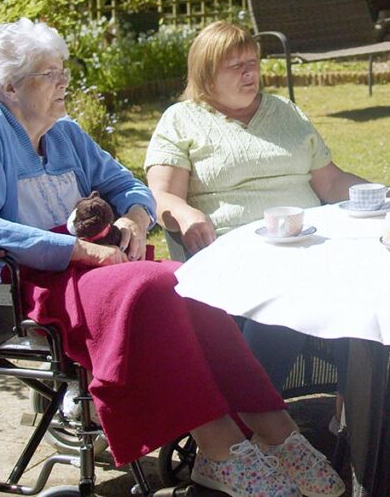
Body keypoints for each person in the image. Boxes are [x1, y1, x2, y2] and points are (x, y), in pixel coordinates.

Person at [0, 18, 344, 497]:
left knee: (187, 282)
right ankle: (219, 448)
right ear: (10, 86)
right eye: (50, 73)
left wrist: (134, 216)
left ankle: (276, 430)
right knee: (151, 286)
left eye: (62, 69)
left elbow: (132, 186)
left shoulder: (64, 133)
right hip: (27, 277)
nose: (64, 80)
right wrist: (79, 248)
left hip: (91, 268)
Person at [145, 21, 365, 393]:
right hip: (237, 253)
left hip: (314, 245)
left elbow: (329, 181)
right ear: (206, 73)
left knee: (366, 293)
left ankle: (355, 416)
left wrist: (382, 194)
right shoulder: (181, 120)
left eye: (253, 62)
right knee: (289, 299)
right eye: (236, 66)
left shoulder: (285, 112)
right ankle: (255, 421)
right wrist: (184, 213)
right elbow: (162, 197)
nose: (250, 73)